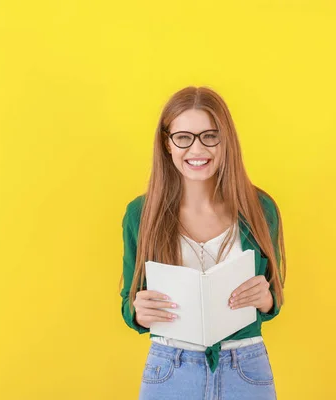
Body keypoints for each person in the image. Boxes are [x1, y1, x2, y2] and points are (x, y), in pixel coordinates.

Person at [119, 86, 286, 400]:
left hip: (246, 366)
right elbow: (129, 303)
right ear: (167, 144)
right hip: (170, 367)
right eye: (184, 137)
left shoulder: (260, 209)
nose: (197, 150)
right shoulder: (140, 214)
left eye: (210, 136)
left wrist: (264, 298)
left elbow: (274, 297)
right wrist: (139, 311)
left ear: (226, 141)